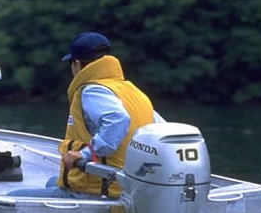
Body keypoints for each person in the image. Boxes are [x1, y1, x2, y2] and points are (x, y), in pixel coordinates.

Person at [9, 31, 161, 198]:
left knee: (9, 198)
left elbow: (118, 120)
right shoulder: (132, 90)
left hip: (100, 190)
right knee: (53, 181)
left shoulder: (92, 90)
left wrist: (84, 154)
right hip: (126, 188)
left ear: (77, 64)